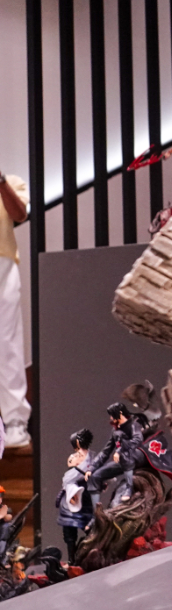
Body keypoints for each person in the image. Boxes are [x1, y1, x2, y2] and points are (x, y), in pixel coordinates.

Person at [0, 171, 30, 449]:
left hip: (3, 264)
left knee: (7, 343)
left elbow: (20, 214)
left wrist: (0, 181)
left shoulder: (12, 181)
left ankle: (15, 422)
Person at [55, 429, 95, 565]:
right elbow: (69, 476)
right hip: (72, 494)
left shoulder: (93, 457)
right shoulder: (74, 457)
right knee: (69, 530)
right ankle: (72, 559)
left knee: (91, 527)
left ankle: (90, 554)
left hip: (86, 494)